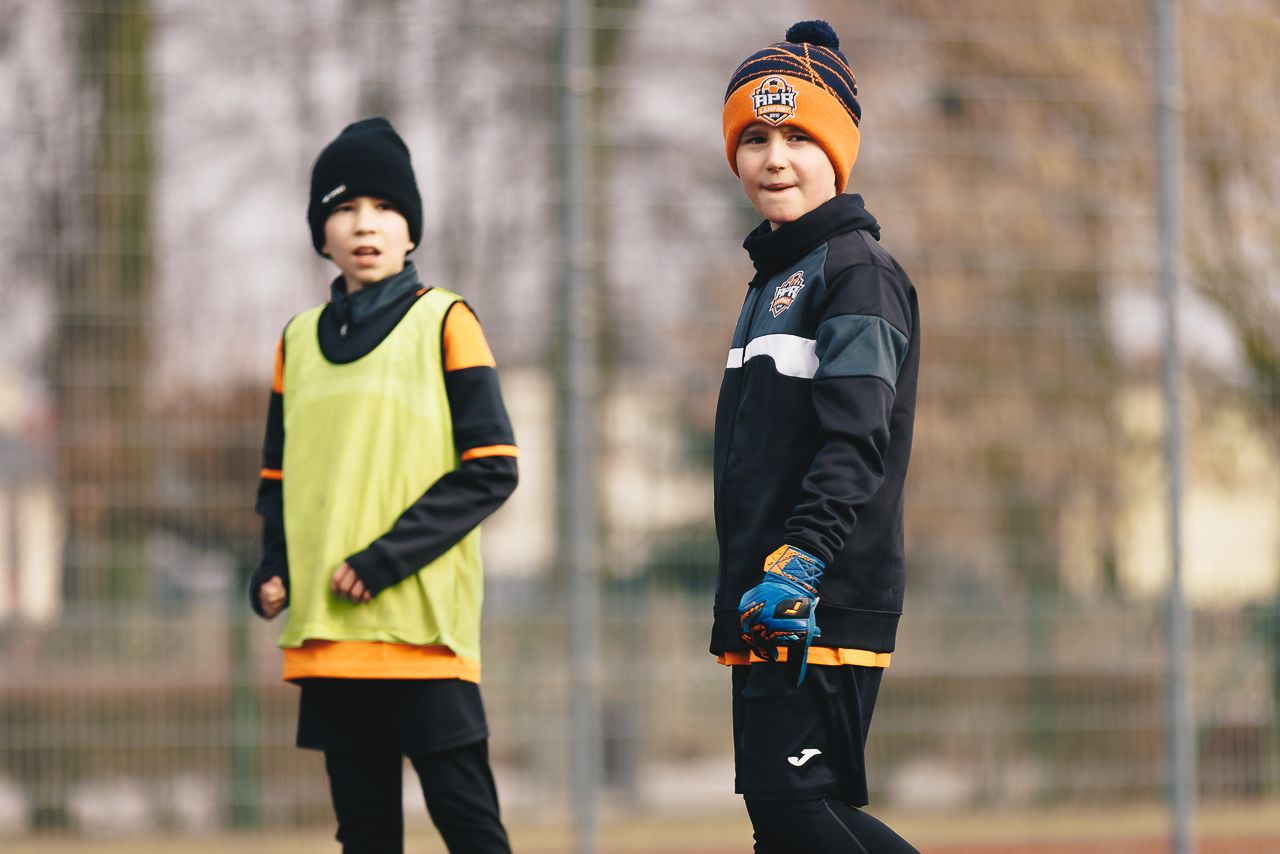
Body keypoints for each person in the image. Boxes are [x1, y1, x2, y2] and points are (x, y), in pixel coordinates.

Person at [249, 117, 517, 854]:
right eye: (344, 208)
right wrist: (274, 566)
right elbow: (277, 479)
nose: (365, 224)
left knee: (469, 826)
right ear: (321, 233)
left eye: (385, 207)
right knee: (364, 836)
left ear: (411, 229)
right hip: (330, 641)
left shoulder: (446, 321)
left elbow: (492, 467)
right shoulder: (296, 341)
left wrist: (381, 561)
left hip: (421, 635)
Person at [712, 21, 921, 853]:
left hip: (815, 592)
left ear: (838, 151)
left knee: (796, 810)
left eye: (799, 136)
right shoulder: (775, 279)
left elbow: (856, 439)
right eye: (755, 138)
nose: (775, 158)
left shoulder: (854, 271)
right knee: (783, 824)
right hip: (766, 596)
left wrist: (798, 563)